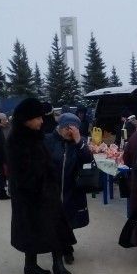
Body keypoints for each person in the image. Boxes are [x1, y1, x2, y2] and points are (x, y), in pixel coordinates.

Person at [6, 98, 77, 274]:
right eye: (37, 117)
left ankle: (46, 265)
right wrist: (39, 186)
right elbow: (21, 172)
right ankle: (41, 265)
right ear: (26, 119)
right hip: (32, 194)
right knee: (40, 228)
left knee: (51, 227)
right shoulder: (17, 141)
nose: (42, 121)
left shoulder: (35, 136)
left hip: (44, 191)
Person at [44, 113, 94, 264]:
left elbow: (88, 159)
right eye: (67, 128)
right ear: (60, 127)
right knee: (54, 219)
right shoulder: (48, 140)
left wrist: (79, 141)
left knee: (68, 219)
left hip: (72, 188)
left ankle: (66, 248)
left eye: (73, 129)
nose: (70, 132)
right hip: (52, 188)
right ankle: (61, 250)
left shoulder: (78, 143)